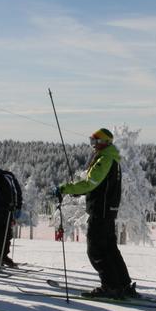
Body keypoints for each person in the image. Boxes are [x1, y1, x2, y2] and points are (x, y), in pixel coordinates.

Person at [55, 127, 137, 299]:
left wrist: (65, 188)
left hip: (101, 210)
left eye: (95, 141)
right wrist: (80, 190)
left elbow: (91, 182)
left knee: (96, 250)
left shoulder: (105, 159)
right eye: (91, 141)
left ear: (104, 142)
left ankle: (110, 287)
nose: (93, 145)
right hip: (108, 210)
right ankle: (122, 284)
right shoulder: (111, 158)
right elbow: (99, 185)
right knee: (109, 248)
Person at [0, 161, 23, 267]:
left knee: (6, 233)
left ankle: (3, 256)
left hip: (7, 210)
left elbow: (17, 191)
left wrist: (17, 206)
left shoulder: (7, 176)